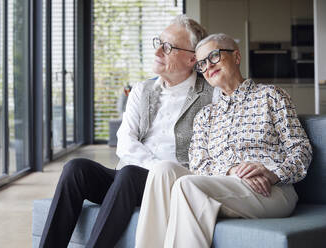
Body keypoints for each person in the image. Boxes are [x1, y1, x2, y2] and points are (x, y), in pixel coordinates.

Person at [39, 15, 216, 248]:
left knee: (129, 174)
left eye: (168, 47)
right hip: (128, 179)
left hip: (169, 184)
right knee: (76, 169)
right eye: (158, 43)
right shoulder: (142, 90)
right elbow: (125, 141)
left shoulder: (211, 96)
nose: (157, 53)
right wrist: (149, 167)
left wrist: (155, 174)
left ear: (192, 58)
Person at [135, 33, 313, 248]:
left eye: (214, 56)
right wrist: (232, 170)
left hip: (271, 190)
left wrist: (273, 174)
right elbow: (199, 165)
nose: (208, 66)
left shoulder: (271, 96)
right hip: (224, 182)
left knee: (186, 185)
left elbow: (300, 149)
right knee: (162, 170)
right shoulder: (206, 115)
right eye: (201, 64)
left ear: (236, 57)